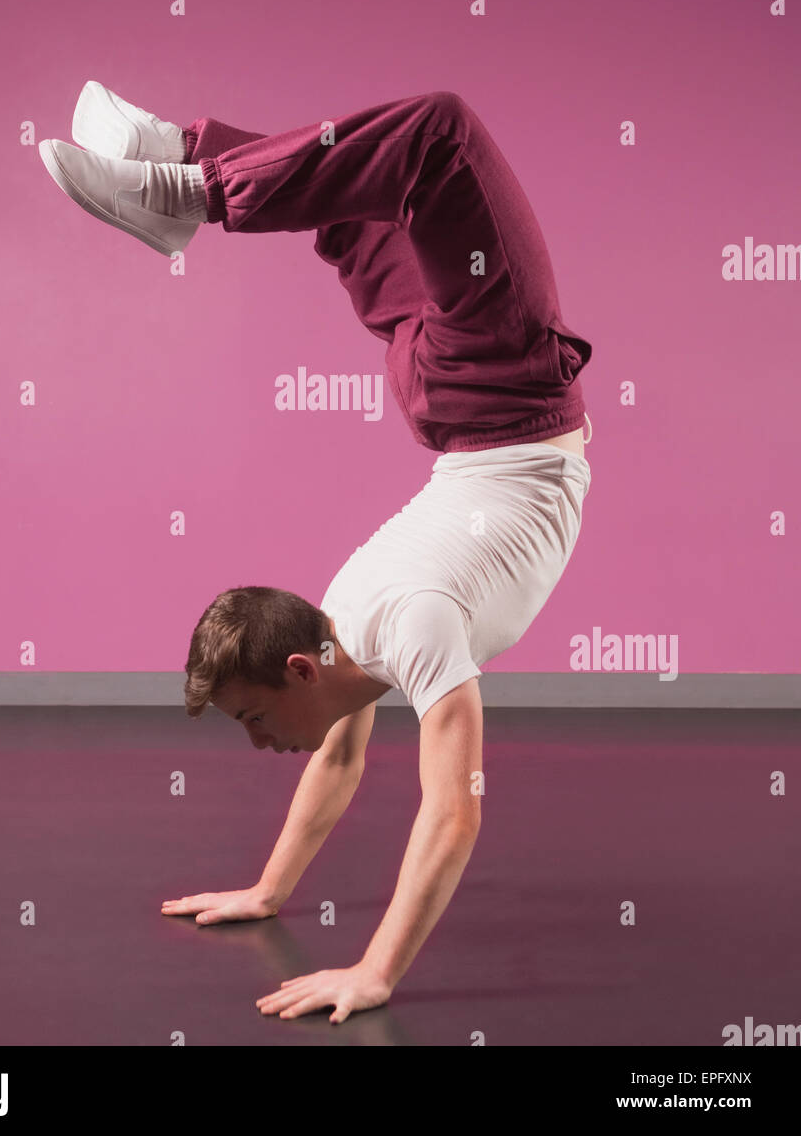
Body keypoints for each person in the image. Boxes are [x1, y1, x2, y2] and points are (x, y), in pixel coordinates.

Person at [39, 84, 593, 1025]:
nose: (259, 745)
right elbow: (352, 770)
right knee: (385, 181)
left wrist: (372, 973)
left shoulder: (380, 619)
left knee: (426, 145)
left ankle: (187, 170)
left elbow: (452, 812)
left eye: (254, 717)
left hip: (494, 387)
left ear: (302, 664)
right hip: (464, 394)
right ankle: (187, 171)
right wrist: (267, 891)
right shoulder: (363, 622)